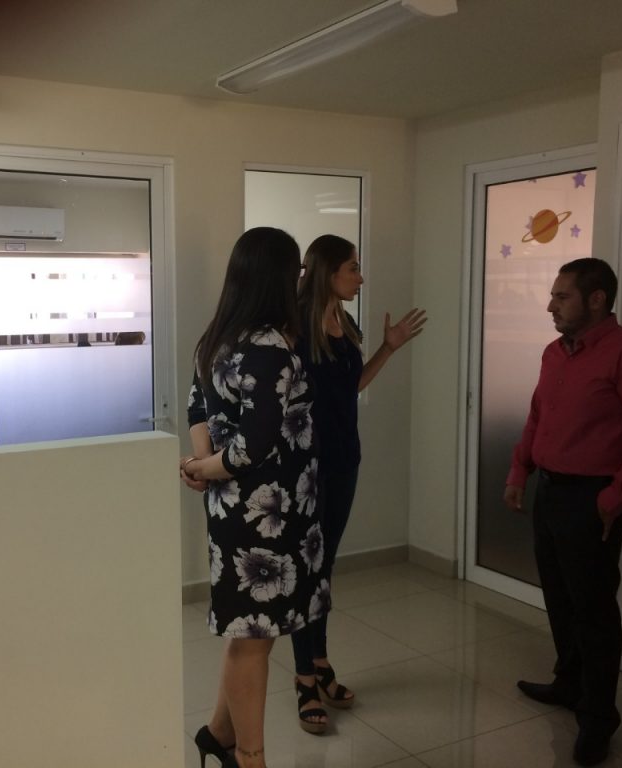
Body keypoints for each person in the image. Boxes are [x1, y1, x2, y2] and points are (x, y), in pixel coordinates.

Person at [504, 258, 622, 767]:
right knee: (559, 597)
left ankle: (598, 719)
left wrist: (612, 500)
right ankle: (569, 684)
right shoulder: (555, 353)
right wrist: (519, 471)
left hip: (592, 499)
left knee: (594, 611)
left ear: (596, 299)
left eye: (562, 296)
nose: (550, 306)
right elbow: (538, 417)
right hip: (551, 491)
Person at [181, 227, 328, 768]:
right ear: (280, 277)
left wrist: (201, 465)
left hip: (234, 508)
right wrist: (206, 467)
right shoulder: (268, 346)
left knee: (248, 632)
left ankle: (218, 735)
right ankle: (250, 757)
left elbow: (198, 409)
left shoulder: (218, 337)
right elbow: (254, 446)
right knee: (253, 641)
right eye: (297, 270)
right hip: (267, 515)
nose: (301, 279)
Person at [289, 234, 426, 733]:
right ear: (328, 271)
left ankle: (320, 662)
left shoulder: (344, 322)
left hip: (345, 459)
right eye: (353, 268)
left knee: (324, 569)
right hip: (307, 469)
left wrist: (388, 348)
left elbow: (350, 387)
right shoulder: (294, 326)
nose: (360, 277)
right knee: (306, 572)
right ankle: (305, 680)